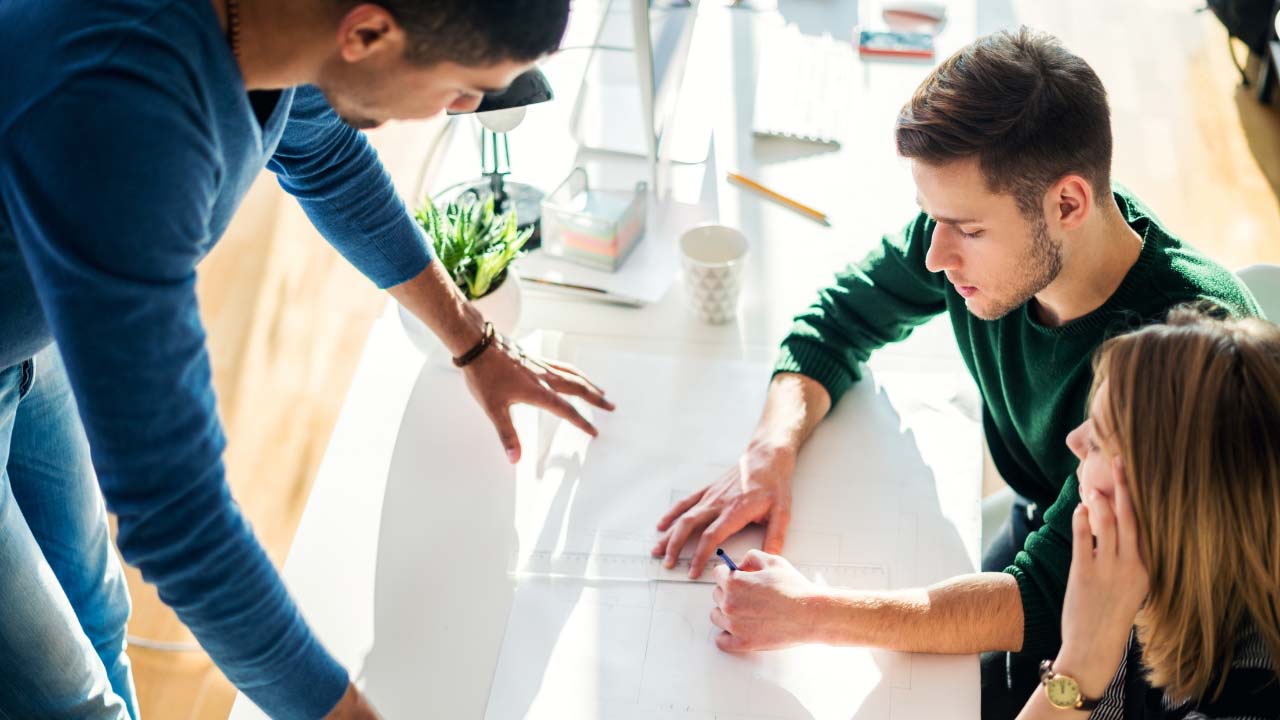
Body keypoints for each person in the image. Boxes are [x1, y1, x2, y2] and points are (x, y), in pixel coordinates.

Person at [0, 1, 610, 718]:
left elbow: (323, 154)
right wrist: (343, 712)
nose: (466, 108)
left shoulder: (280, 26)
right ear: (369, 34)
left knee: (95, 608)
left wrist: (473, 342)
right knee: (68, 699)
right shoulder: (129, 117)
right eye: (465, 86)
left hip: (34, 322)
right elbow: (175, 515)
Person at [656, 27, 1261, 719]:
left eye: (967, 230)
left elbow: (1043, 599)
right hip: (1047, 528)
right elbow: (839, 319)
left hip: (1165, 621)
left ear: (1068, 204)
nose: (937, 256)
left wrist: (812, 614)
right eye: (930, 218)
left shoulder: (1166, 365)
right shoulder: (984, 241)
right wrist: (770, 446)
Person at [1018, 307, 1280, 718]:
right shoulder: (1149, 580)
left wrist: (1080, 663)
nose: (1074, 439)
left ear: (1170, 501)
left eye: (1101, 439)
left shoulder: (1249, 701)